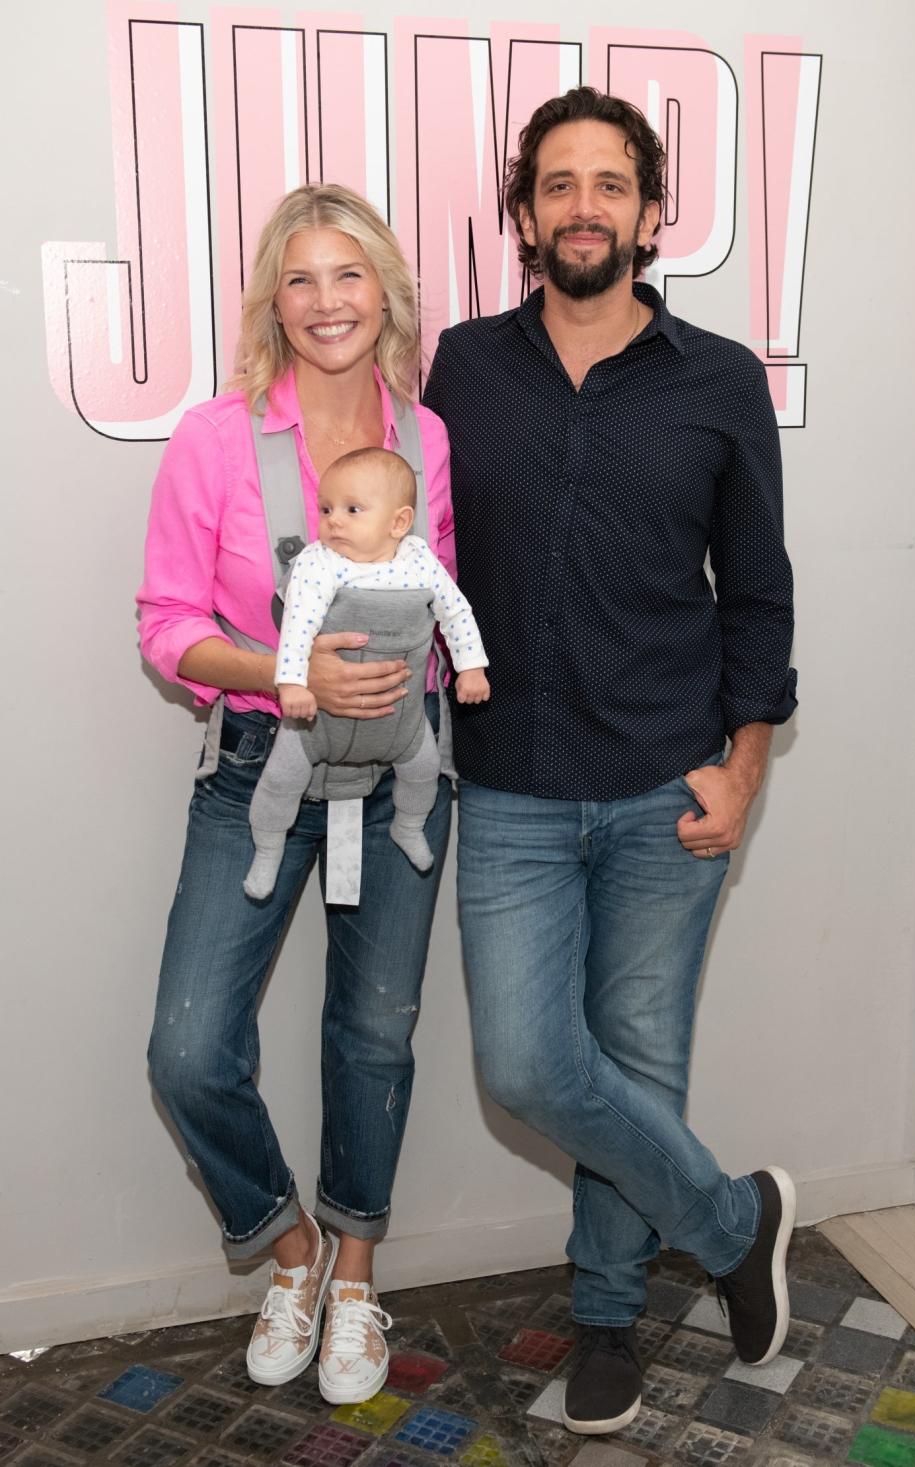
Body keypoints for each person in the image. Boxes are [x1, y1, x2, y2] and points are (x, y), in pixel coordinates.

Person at [423, 87, 798, 1436]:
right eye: (557, 184)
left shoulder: (718, 380)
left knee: (638, 1062)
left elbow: (756, 591)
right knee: (529, 1061)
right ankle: (733, 1217)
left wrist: (744, 767)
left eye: (610, 183)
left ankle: (604, 1322)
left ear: (652, 211)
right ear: (523, 214)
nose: (584, 206)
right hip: (513, 780)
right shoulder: (460, 367)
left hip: (665, 781)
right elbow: (397, 537)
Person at [139, 183, 452, 1404]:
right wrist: (290, 669)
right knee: (187, 1048)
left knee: (375, 1035)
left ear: (387, 293)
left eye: (351, 275)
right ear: (277, 297)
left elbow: (441, 593)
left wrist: (428, 679)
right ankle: (292, 1249)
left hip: (400, 779)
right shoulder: (214, 439)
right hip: (254, 770)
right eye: (303, 278)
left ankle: (359, 1281)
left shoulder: (427, 440)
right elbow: (166, 625)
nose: (328, 303)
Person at [244, 447, 489, 900]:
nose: (334, 520)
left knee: (425, 767)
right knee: (282, 777)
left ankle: (408, 825)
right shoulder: (320, 563)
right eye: (326, 509)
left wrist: (471, 667)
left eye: (352, 510)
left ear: (398, 523)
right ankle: (268, 846)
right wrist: (292, 683)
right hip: (317, 724)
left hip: (401, 721)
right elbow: (298, 626)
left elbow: (456, 612)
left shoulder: (418, 560)